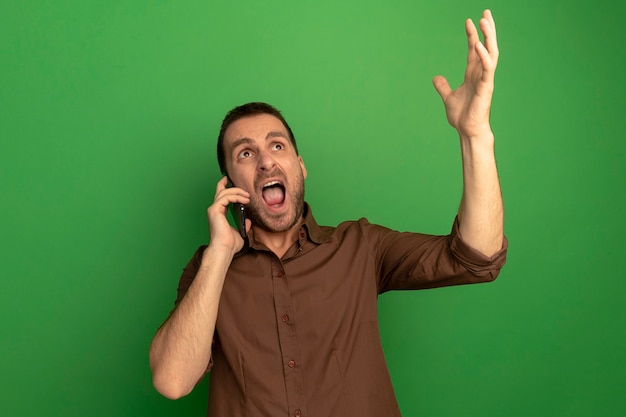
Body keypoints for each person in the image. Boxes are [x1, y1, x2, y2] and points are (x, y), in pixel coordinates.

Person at [149, 9, 507, 417]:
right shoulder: (206, 271)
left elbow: (478, 258)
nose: (266, 162)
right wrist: (219, 253)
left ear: (300, 167)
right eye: (246, 153)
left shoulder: (361, 247)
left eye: (277, 146)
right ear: (228, 184)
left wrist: (475, 135)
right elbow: (172, 381)